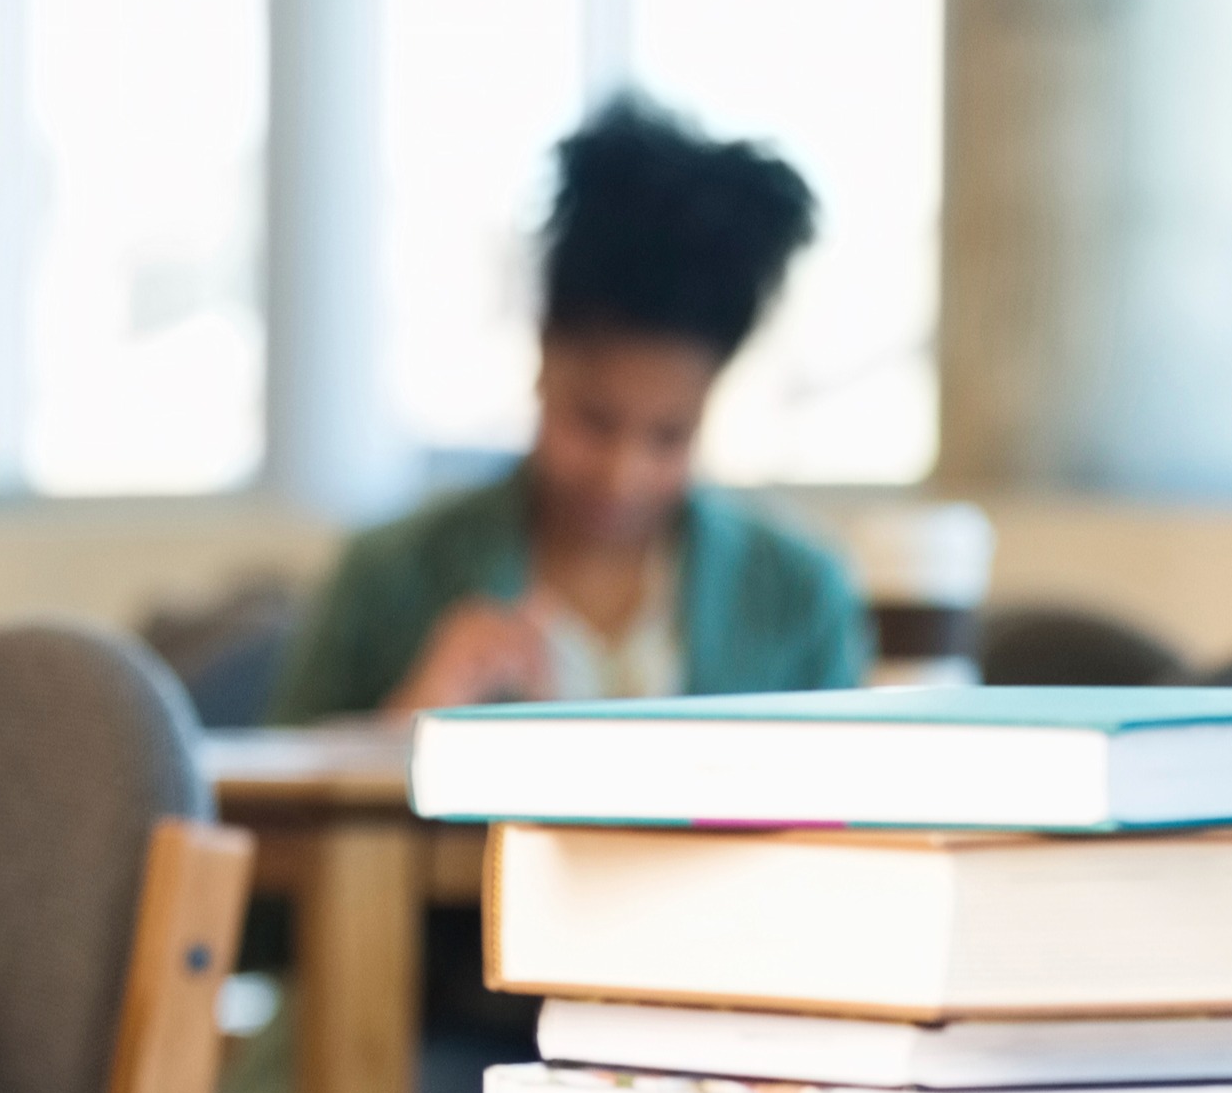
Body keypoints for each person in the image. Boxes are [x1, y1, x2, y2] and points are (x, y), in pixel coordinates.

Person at [272, 97, 868, 721]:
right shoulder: (387, 580)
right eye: (594, 421)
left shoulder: (799, 597)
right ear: (542, 359)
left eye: (669, 436)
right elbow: (265, 798)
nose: (623, 473)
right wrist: (406, 726)